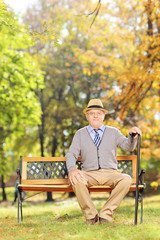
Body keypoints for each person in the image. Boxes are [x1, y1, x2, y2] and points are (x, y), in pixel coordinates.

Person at [66, 99, 142, 225]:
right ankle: (91, 216)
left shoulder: (113, 132)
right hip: (89, 173)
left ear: (103, 115)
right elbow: (71, 154)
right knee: (76, 179)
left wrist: (131, 135)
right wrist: (72, 169)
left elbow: (128, 147)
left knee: (126, 179)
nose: (96, 115)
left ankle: (106, 215)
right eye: (92, 113)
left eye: (99, 113)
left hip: (111, 173)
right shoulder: (80, 134)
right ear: (87, 116)